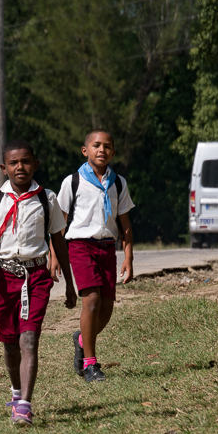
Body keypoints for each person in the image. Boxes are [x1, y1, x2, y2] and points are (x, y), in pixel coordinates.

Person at [0, 140, 77, 426]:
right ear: (3, 168)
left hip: (36, 277)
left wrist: (69, 284)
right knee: (10, 344)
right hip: (2, 277)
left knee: (29, 339)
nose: (20, 167)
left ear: (36, 164)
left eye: (26, 161)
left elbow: (58, 240)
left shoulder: (47, 198)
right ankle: (16, 392)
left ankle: (24, 406)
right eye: (13, 163)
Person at [50, 129, 135, 383]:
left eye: (107, 146)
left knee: (106, 310)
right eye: (96, 145)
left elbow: (125, 223)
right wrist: (54, 254)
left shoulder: (118, 183)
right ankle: (90, 364)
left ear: (113, 152)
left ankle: (81, 340)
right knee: (92, 301)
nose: (102, 150)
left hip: (107, 247)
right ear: (85, 151)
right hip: (80, 246)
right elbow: (59, 222)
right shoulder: (73, 181)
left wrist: (128, 257)